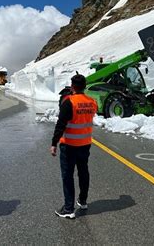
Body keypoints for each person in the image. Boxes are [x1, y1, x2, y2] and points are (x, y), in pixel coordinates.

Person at [50, 74, 98, 219]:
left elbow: (61, 124)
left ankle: (68, 208)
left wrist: (54, 143)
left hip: (69, 145)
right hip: (85, 144)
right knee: (83, 172)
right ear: (85, 86)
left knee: (67, 175)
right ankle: (82, 201)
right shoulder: (92, 102)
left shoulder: (69, 101)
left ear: (72, 86)